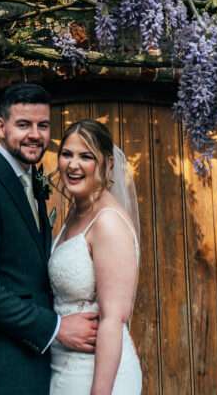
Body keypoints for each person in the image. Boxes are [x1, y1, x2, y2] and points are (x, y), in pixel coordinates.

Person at [0, 83, 100, 395]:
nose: (35, 134)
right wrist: (56, 328)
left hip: (30, 367)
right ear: (1, 128)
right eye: (23, 125)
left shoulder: (29, 182)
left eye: (42, 125)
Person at [49, 118, 142, 395]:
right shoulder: (76, 213)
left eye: (86, 156)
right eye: (67, 154)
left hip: (95, 374)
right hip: (63, 366)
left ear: (107, 164)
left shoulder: (107, 222)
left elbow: (113, 319)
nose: (73, 165)